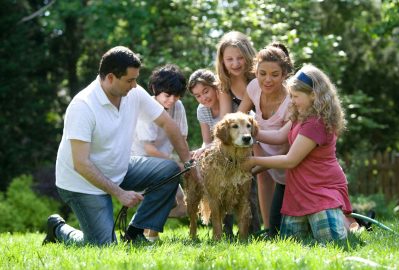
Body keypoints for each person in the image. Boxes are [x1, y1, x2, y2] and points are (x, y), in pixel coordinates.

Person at [42, 46, 194, 246]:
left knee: (169, 170)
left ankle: (135, 233)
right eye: (130, 80)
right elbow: (81, 163)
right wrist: (119, 193)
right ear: (111, 77)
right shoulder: (83, 106)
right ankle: (58, 229)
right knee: (103, 246)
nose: (135, 85)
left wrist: (189, 164)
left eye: (136, 79)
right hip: (82, 183)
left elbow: (168, 124)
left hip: (119, 168)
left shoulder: (134, 93)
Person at [243, 64, 352, 242]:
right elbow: (278, 136)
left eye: (295, 96)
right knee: (290, 243)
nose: (291, 101)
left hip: (321, 190)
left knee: (331, 240)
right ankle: (344, 221)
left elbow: (290, 160)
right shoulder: (300, 115)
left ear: (313, 96)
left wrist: (254, 160)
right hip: (299, 192)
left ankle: (350, 224)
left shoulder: (315, 123)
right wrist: (248, 132)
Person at [238, 42, 293, 237]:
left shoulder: (292, 101)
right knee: (263, 182)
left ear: (285, 74)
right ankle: (268, 229)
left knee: (294, 227)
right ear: (256, 72)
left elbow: (282, 139)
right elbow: (239, 116)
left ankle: (354, 221)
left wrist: (252, 134)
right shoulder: (253, 87)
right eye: (262, 73)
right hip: (263, 155)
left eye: (274, 75)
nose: (267, 80)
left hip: (289, 164)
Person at [131, 64, 188, 239]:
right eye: (167, 95)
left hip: (166, 163)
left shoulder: (178, 107)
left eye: (176, 96)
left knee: (183, 207)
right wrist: (174, 163)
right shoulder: (146, 107)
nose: (171, 100)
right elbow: (149, 149)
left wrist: (186, 163)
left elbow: (181, 139)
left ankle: (146, 226)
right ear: (155, 89)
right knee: (167, 198)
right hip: (141, 162)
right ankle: (149, 235)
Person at [215, 31, 261, 235]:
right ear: (222, 61)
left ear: (249, 56)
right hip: (243, 139)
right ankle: (225, 229)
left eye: (240, 58)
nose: (235, 63)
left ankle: (256, 228)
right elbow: (226, 117)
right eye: (229, 59)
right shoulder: (224, 85)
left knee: (252, 182)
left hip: (263, 134)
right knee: (227, 167)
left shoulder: (259, 78)